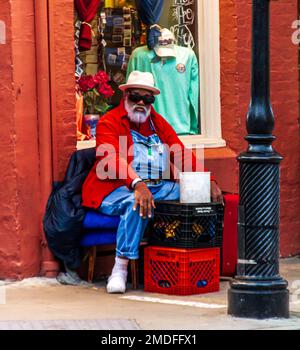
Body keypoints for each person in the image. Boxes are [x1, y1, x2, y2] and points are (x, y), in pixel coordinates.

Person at [81, 70, 222, 293]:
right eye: (135, 97)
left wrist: (208, 181)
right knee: (135, 203)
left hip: (155, 186)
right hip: (113, 189)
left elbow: (180, 153)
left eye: (147, 99)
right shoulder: (109, 122)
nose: (140, 103)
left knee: (195, 195)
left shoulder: (157, 122)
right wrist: (137, 184)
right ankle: (120, 268)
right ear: (125, 96)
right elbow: (110, 159)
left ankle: (201, 258)